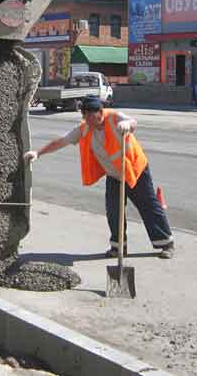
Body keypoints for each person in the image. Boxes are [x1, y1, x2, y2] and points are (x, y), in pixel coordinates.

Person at [23, 96, 174, 258]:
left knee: (148, 205)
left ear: (100, 112)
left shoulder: (115, 118)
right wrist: (38, 153)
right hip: (114, 175)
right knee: (113, 211)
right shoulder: (85, 128)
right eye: (84, 115)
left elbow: (133, 122)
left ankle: (166, 243)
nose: (87, 119)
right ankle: (118, 247)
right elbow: (61, 142)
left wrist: (128, 125)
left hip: (134, 170)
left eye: (90, 115)